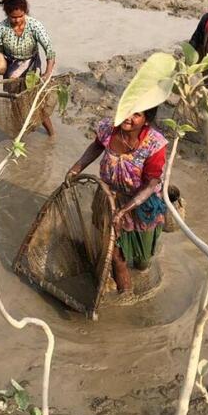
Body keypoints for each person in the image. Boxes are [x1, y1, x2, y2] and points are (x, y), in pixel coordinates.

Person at [66, 108, 167, 294]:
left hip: (140, 205)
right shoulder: (109, 128)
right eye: (127, 110)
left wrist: (124, 210)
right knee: (116, 257)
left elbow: (152, 182)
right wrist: (76, 168)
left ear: (146, 120)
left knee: (142, 261)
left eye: (136, 114)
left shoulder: (155, 143)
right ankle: (125, 296)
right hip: (108, 197)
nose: (128, 117)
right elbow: (97, 146)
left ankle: (141, 270)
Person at [0, 0, 56, 135]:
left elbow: (49, 51)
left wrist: (48, 73)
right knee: (15, 101)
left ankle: (51, 134)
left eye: (21, 16)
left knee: (35, 102)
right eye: (13, 17)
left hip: (31, 63)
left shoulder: (34, 25)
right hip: (12, 65)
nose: (17, 20)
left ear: (25, 12)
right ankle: (19, 133)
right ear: (7, 15)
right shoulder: (1, 28)